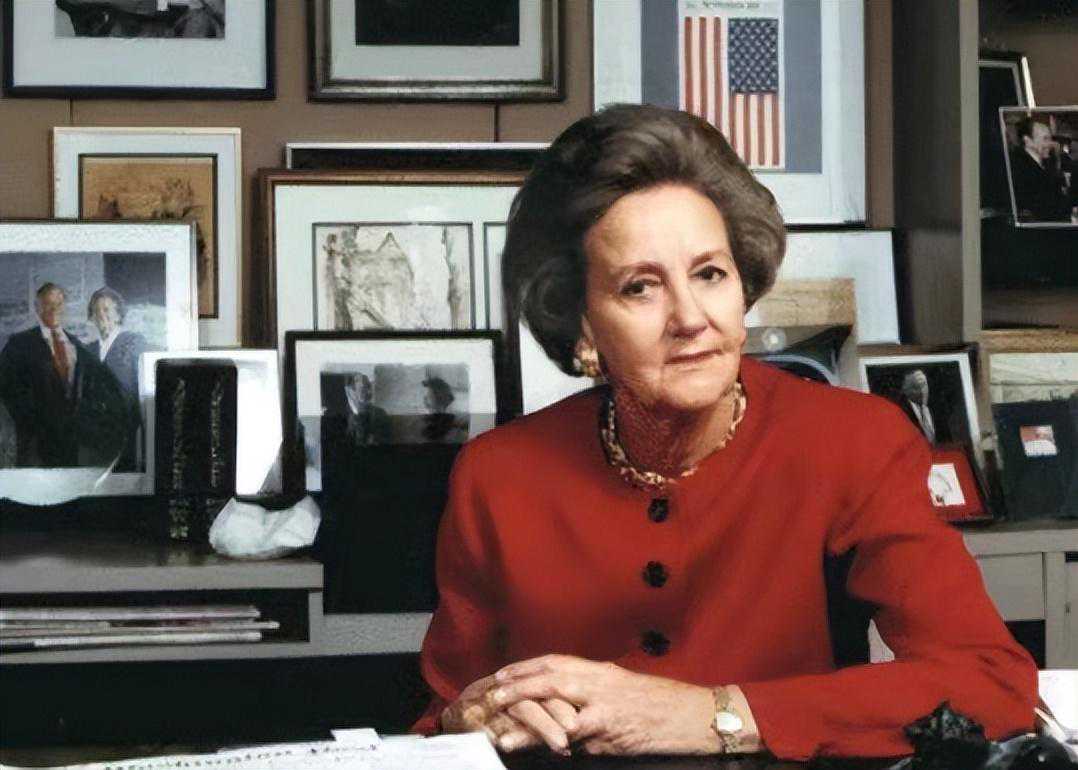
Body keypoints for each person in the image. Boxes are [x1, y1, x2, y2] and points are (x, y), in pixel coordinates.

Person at [413, 105, 1036, 760]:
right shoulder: (499, 474)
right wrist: (466, 721)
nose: (690, 318)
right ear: (583, 327)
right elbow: (439, 723)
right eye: (640, 288)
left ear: (743, 289)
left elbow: (990, 683)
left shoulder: (852, 443)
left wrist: (715, 713)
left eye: (709, 274)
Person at [0, 283, 127, 467]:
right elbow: (5, 385)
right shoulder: (19, 344)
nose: (54, 309)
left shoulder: (76, 345)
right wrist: (31, 420)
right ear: (37, 307)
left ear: (64, 307)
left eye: (58, 304)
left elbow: (93, 387)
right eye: (48, 304)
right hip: (34, 445)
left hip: (71, 445)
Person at [87, 287, 148, 470]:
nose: (101, 314)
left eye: (106, 309)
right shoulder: (88, 350)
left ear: (118, 314)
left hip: (125, 429)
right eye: (96, 310)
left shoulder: (134, 342)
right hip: (96, 432)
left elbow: (140, 385)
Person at [1009, 117, 1072, 222]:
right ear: (1028, 141)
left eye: (1050, 139)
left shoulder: (1047, 163)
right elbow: (1039, 206)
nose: (1050, 144)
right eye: (1045, 139)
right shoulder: (1018, 167)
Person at [896, 369, 945, 444]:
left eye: (924, 385)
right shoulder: (901, 413)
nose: (922, 391)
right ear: (906, 390)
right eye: (916, 387)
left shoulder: (938, 408)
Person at [342, 373, 391, 446]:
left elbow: (383, 439)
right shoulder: (348, 415)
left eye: (366, 387)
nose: (361, 386)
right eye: (357, 381)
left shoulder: (380, 413)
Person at [421, 375, 469, 444]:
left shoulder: (456, 433)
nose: (424, 402)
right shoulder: (425, 422)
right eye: (425, 397)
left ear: (440, 398)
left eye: (428, 397)